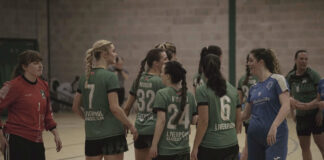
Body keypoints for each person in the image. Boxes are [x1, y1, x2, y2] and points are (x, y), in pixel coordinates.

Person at [72, 40, 138, 160]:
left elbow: (75, 107)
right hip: (112, 134)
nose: (115, 54)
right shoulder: (110, 76)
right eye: (113, 51)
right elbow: (115, 108)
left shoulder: (84, 78)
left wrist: (89, 119)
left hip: (91, 135)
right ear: (104, 54)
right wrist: (130, 125)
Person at [0, 50, 62, 160]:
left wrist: (56, 134)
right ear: (24, 67)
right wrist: (0, 136)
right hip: (16, 139)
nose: (40, 66)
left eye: (40, 62)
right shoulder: (13, 86)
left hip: (37, 141)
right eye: (35, 63)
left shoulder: (43, 85)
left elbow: (48, 114)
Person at [241, 48, 290, 160]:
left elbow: (286, 106)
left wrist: (274, 126)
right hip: (254, 138)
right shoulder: (253, 88)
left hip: (275, 136)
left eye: (251, 60)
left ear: (261, 62)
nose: (248, 64)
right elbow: (245, 115)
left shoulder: (278, 79)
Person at [191, 54, 241, 160]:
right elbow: (238, 121)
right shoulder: (232, 89)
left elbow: (203, 122)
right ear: (220, 67)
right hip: (231, 144)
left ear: (203, 69)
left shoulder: (202, 90)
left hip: (210, 146)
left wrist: (195, 147)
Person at [123, 48, 168, 160]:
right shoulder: (161, 81)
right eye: (165, 59)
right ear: (155, 63)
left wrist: (124, 126)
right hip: (156, 131)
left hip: (140, 130)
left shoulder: (139, 79)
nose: (168, 61)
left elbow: (127, 107)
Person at [149, 61, 197, 160]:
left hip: (166, 150)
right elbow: (194, 120)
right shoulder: (190, 96)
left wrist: (154, 145)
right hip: (184, 150)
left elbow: (161, 121)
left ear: (168, 76)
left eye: (162, 72)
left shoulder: (162, 94)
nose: (160, 75)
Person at [286, 50, 324, 160]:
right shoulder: (290, 76)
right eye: (301, 59)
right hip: (301, 117)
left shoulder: (313, 75)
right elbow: (287, 95)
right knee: (305, 148)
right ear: (295, 60)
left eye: (306, 59)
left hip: (315, 116)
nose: (304, 61)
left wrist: (320, 113)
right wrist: (292, 113)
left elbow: (321, 96)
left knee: (321, 146)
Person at [237, 54, 258, 160]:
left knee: (250, 147)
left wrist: (239, 120)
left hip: (246, 116)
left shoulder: (242, 79)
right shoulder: (259, 79)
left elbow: (239, 103)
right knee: (248, 149)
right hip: (254, 116)